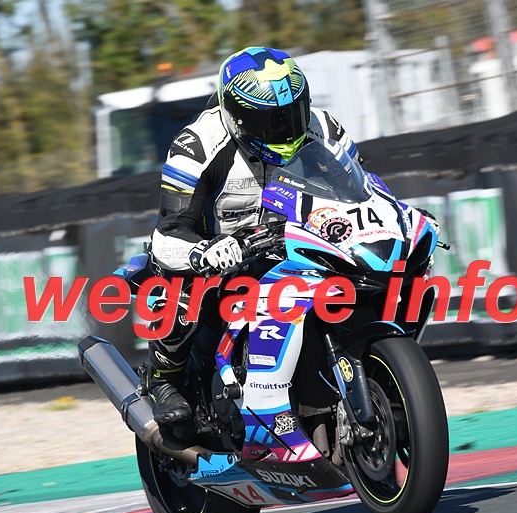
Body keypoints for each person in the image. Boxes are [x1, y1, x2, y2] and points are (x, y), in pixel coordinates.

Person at [146, 46, 361, 425]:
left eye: (293, 114)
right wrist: (205, 252)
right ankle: (164, 379)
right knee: (183, 292)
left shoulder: (325, 129)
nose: (285, 129)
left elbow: (361, 192)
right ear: (237, 116)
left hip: (295, 247)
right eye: (271, 122)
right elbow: (168, 235)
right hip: (218, 259)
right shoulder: (197, 146)